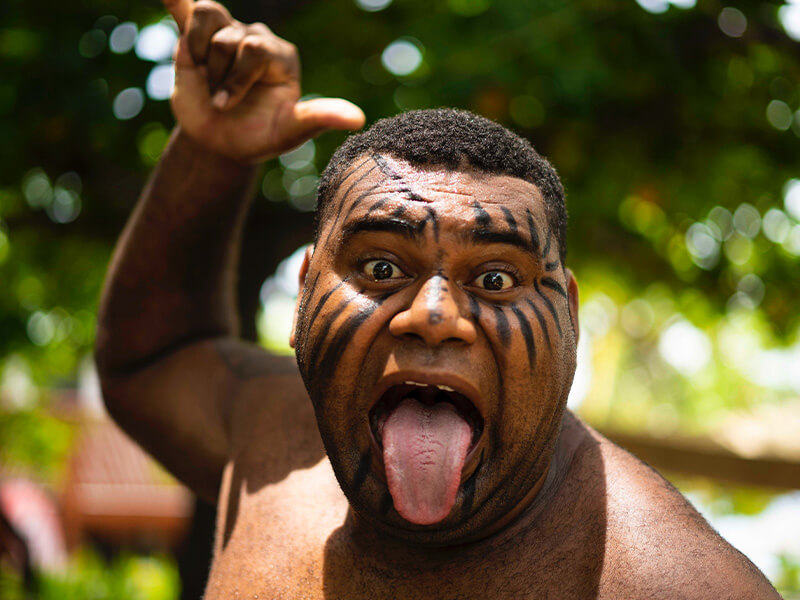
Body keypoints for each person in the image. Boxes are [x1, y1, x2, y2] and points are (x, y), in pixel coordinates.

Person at [94, 1, 782, 597]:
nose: (433, 316)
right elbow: (150, 360)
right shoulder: (275, 435)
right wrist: (211, 154)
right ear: (305, 292)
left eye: (494, 280)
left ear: (570, 318)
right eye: (383, 266)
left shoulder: (678, 586)